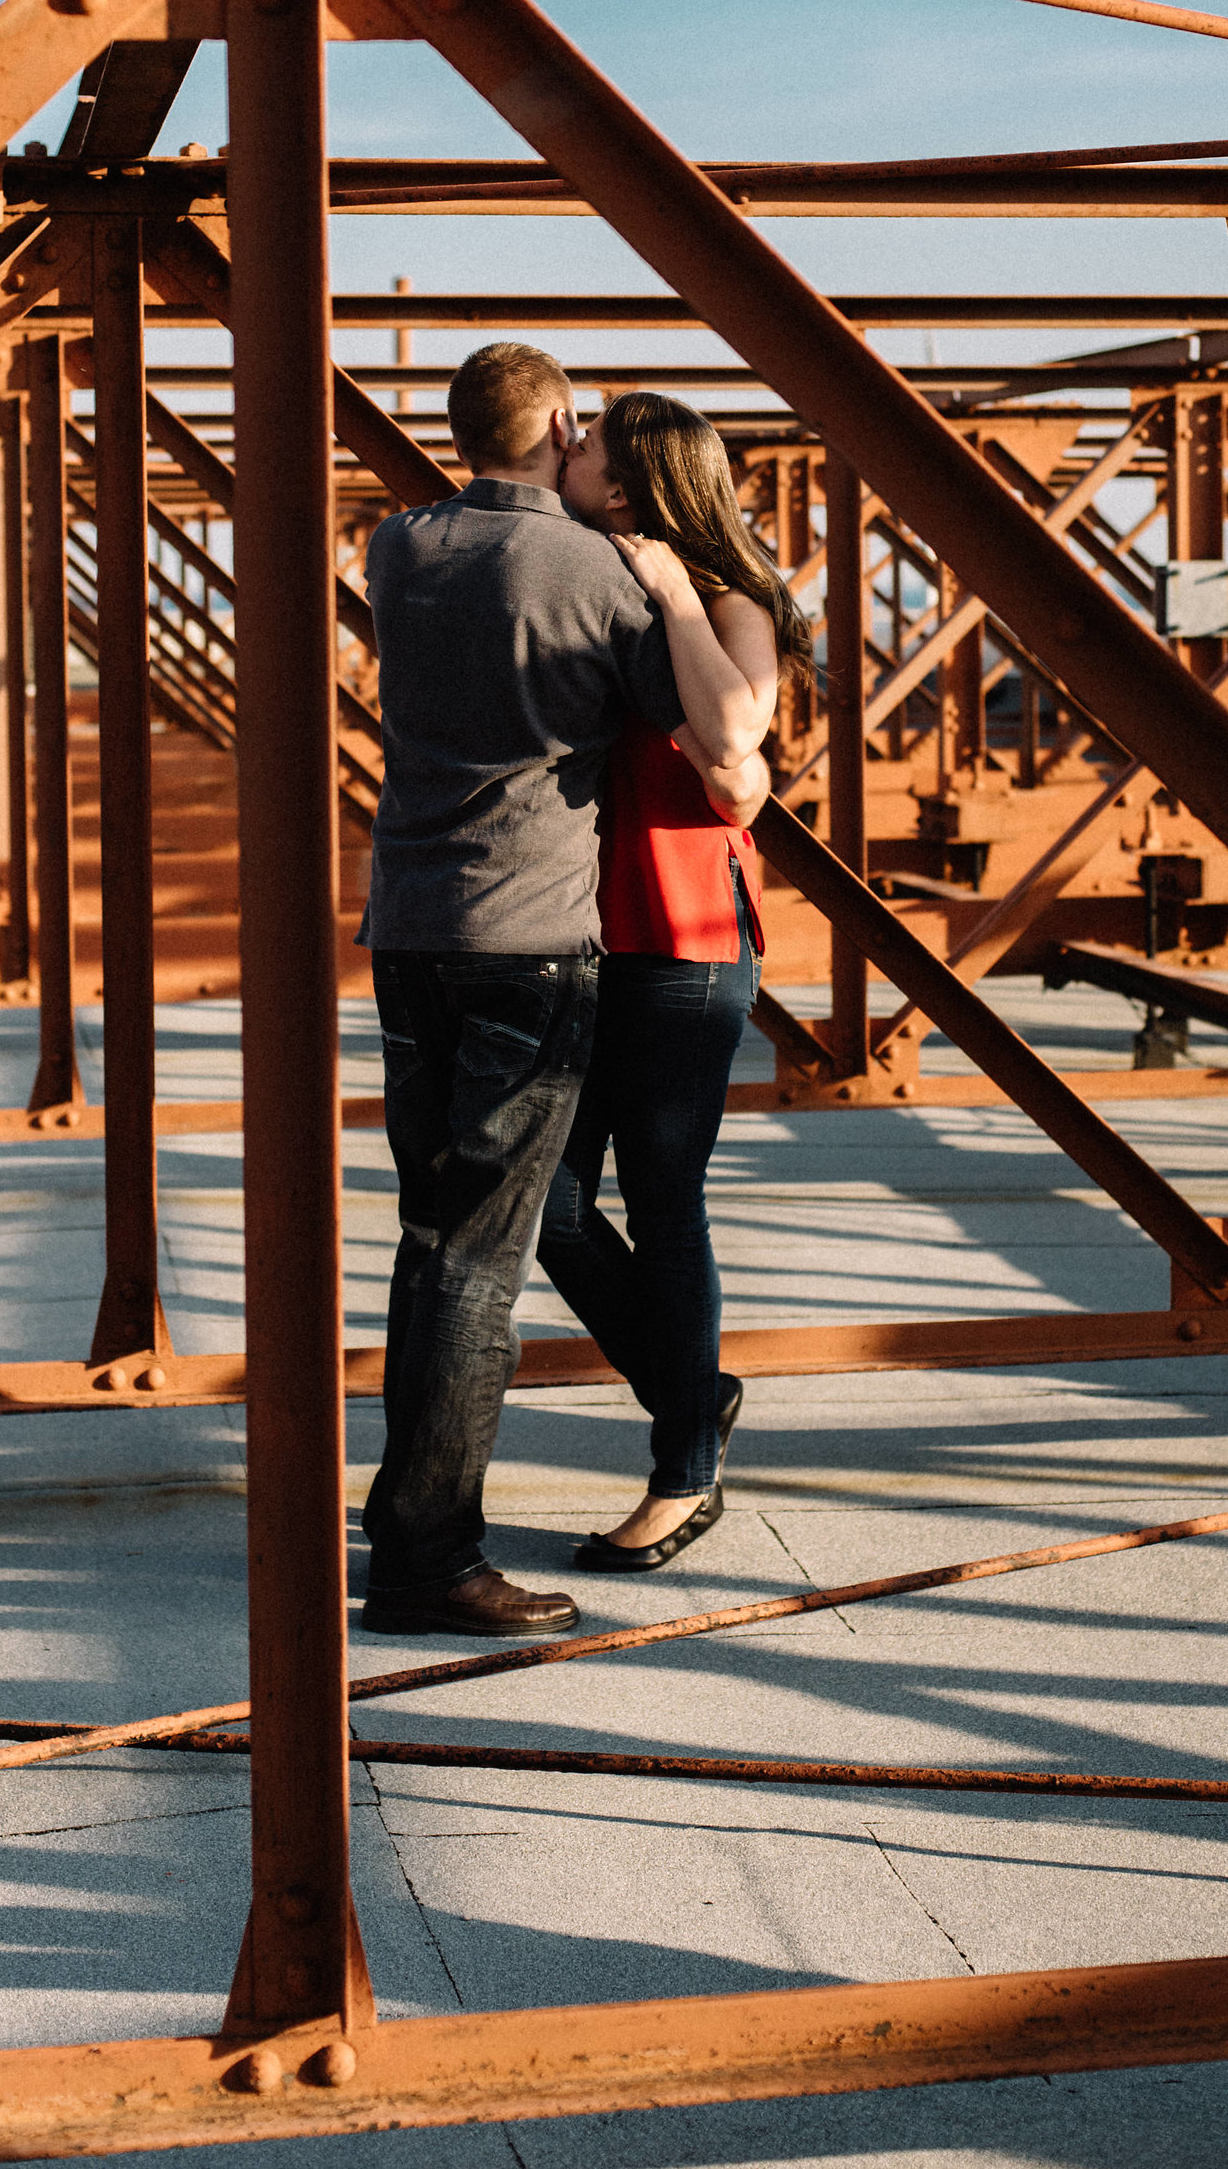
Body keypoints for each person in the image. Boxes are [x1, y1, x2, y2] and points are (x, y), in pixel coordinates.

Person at [358, 345, 765, 1641]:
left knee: (441, 1236)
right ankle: (431, 1549)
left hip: (417, 929)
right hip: (533, 936)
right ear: (560, 426)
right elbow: (717, 742)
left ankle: (436, 1519)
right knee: (484, 1251)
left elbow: (737, 760)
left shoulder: (396, 546)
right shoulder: (601, 579)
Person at [542, 390, 813, 1570]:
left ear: (630, 485)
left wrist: (667, 591)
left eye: (586, 444)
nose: (567, 450)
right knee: (544, 1204)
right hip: (576, 938)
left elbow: (739, 744)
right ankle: (687, 1389)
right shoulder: (574, 578)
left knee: (663, 1201)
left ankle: (683, 1472)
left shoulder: (725, 601)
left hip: (687, 943)